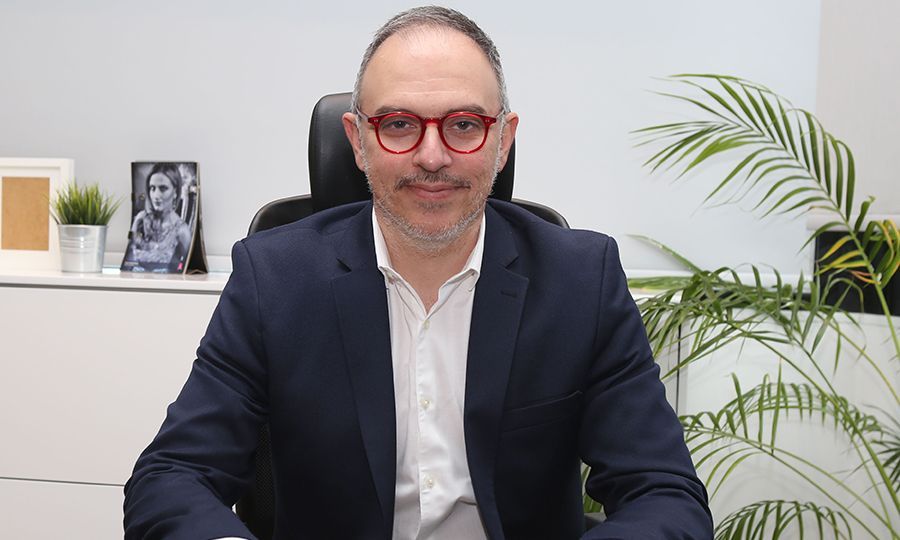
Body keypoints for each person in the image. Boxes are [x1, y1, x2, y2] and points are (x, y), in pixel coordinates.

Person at [124, 6, 713, 539]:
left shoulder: (580, 281)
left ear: (503, 141)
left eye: (464, 125)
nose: (433, 157)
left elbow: (664, 494)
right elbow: (172, 477)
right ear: (358, 141)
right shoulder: (273, 280)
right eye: (400, 124)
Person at [123, 162, 192, 271]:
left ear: (175, 192)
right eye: (152, 188)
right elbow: (128, 261)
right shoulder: (140, 220)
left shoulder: (182, 231)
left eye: (163, 188)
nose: (156, 195)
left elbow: (186, 268)